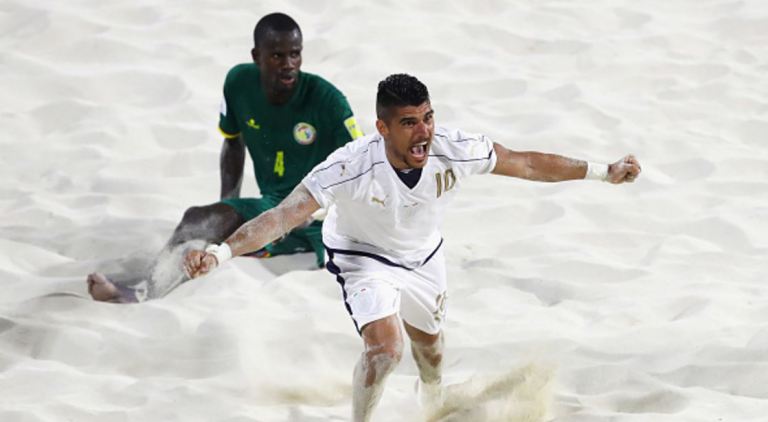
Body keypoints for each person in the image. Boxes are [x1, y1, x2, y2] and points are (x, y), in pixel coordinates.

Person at [183, 74, 642, 420]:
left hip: (423, 257)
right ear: (382, 127)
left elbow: (524, 162)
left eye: (427, 117)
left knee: (432, 353)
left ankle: (434, 405)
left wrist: (604, 170)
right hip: (362, 256)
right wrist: (221, 253)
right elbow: (282, 216)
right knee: (386, 349)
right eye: (408, 123)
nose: (422, 132)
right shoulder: (349, 166)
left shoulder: (451, 148)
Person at [87, 12, 363, 303]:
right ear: (257, 56)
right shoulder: (238, 84)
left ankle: (139, 294)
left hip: (319, 216)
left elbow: (362, 167)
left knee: (208, 229)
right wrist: (227, 205)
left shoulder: (328, 101)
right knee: (198, 221)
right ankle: (148, 286)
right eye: (277, 56)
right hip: (272, 205)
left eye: (295, 54)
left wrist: (318, 213)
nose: (288, 65)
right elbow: (232, 144)